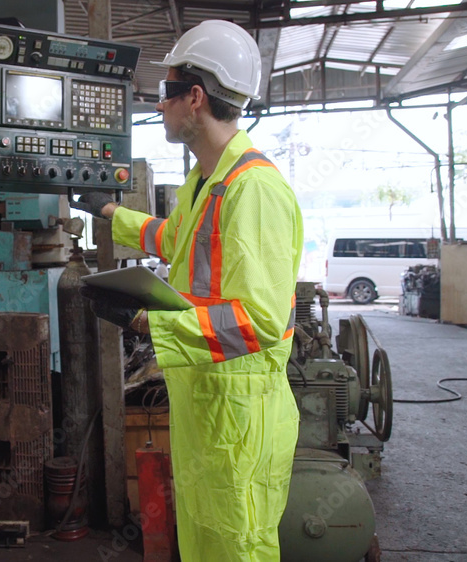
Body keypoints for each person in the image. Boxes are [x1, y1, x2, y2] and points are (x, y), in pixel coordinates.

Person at [74, 20, 303, 561]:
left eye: (166, 93)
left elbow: (259, 320)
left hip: (239, 412)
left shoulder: (254, 190)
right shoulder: (211, 181)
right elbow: (175, 239)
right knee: (203, 541)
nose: (160, 107)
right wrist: (105, 210)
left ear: (194, 98)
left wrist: (146, 323)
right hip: (207, 402)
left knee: (236, 547)